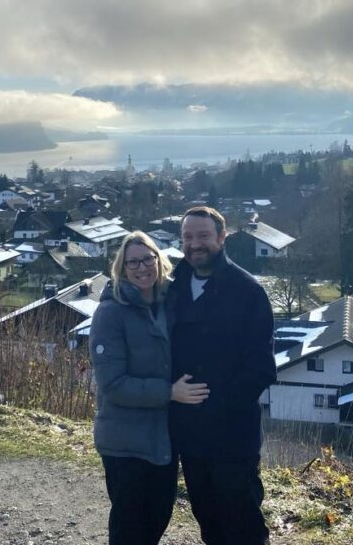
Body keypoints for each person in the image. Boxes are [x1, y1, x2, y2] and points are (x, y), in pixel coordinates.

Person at [90, 231, 210, 545]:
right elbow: (112, 384)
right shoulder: (110, 313)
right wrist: (169, 392)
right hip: (125, 440)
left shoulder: (168, 302)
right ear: (121, 268)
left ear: (159, 260)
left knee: (157, 519)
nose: (142, 267)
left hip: (162, 438)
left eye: (147, 258)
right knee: (129, 527)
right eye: (133, 262)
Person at [168, 206, 277, 545]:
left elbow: (261, 368)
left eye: (203, 236)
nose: (194, 244)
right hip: (189, 435)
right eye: (188, 237)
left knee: (242, 521)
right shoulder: (172, 287)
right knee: (208, 518)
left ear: (221, 237)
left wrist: (217, 406)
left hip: (233, 434)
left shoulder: (248, 292)